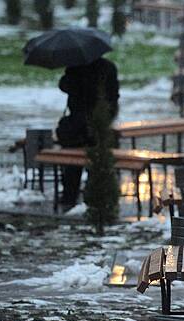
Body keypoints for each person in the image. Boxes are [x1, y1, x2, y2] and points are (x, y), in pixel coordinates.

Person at [57, 57, 120, 208]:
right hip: (99, 124)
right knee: (97, 162)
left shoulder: (75, 66)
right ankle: (93, 197)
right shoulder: (108, 67)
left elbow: (64, 86)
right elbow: (114, 95)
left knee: (72, 164)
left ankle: (69, 198)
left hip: (77, 125)